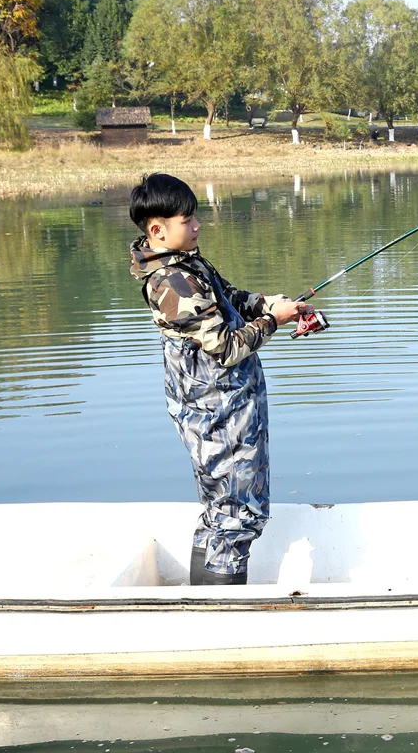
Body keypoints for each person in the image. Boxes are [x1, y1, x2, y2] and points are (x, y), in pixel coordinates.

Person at [129, 173, 307, 585]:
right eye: (187, 220)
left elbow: (227, 297)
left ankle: (204, 606)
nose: (197, 225)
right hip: (218, 415)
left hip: (226, 408)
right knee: (237, 514)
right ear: (157, 230)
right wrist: (272, 322)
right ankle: (220, 615)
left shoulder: (184, 264)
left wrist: (271, 304)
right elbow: (227, 347)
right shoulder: (171, 281)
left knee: (221, 511)